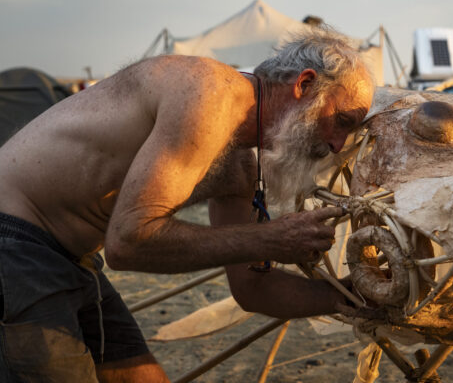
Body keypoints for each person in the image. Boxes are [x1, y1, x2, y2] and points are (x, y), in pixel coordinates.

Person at [0, 28, 374, 382]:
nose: (338, 144)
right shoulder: (209, 94)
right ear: (304, 85)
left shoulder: (244, 163)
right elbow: (128, 242)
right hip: (14, 242)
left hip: (72, 258)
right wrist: (272, 239)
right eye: (341, 121)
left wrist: (349, 297)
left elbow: (252, 289)